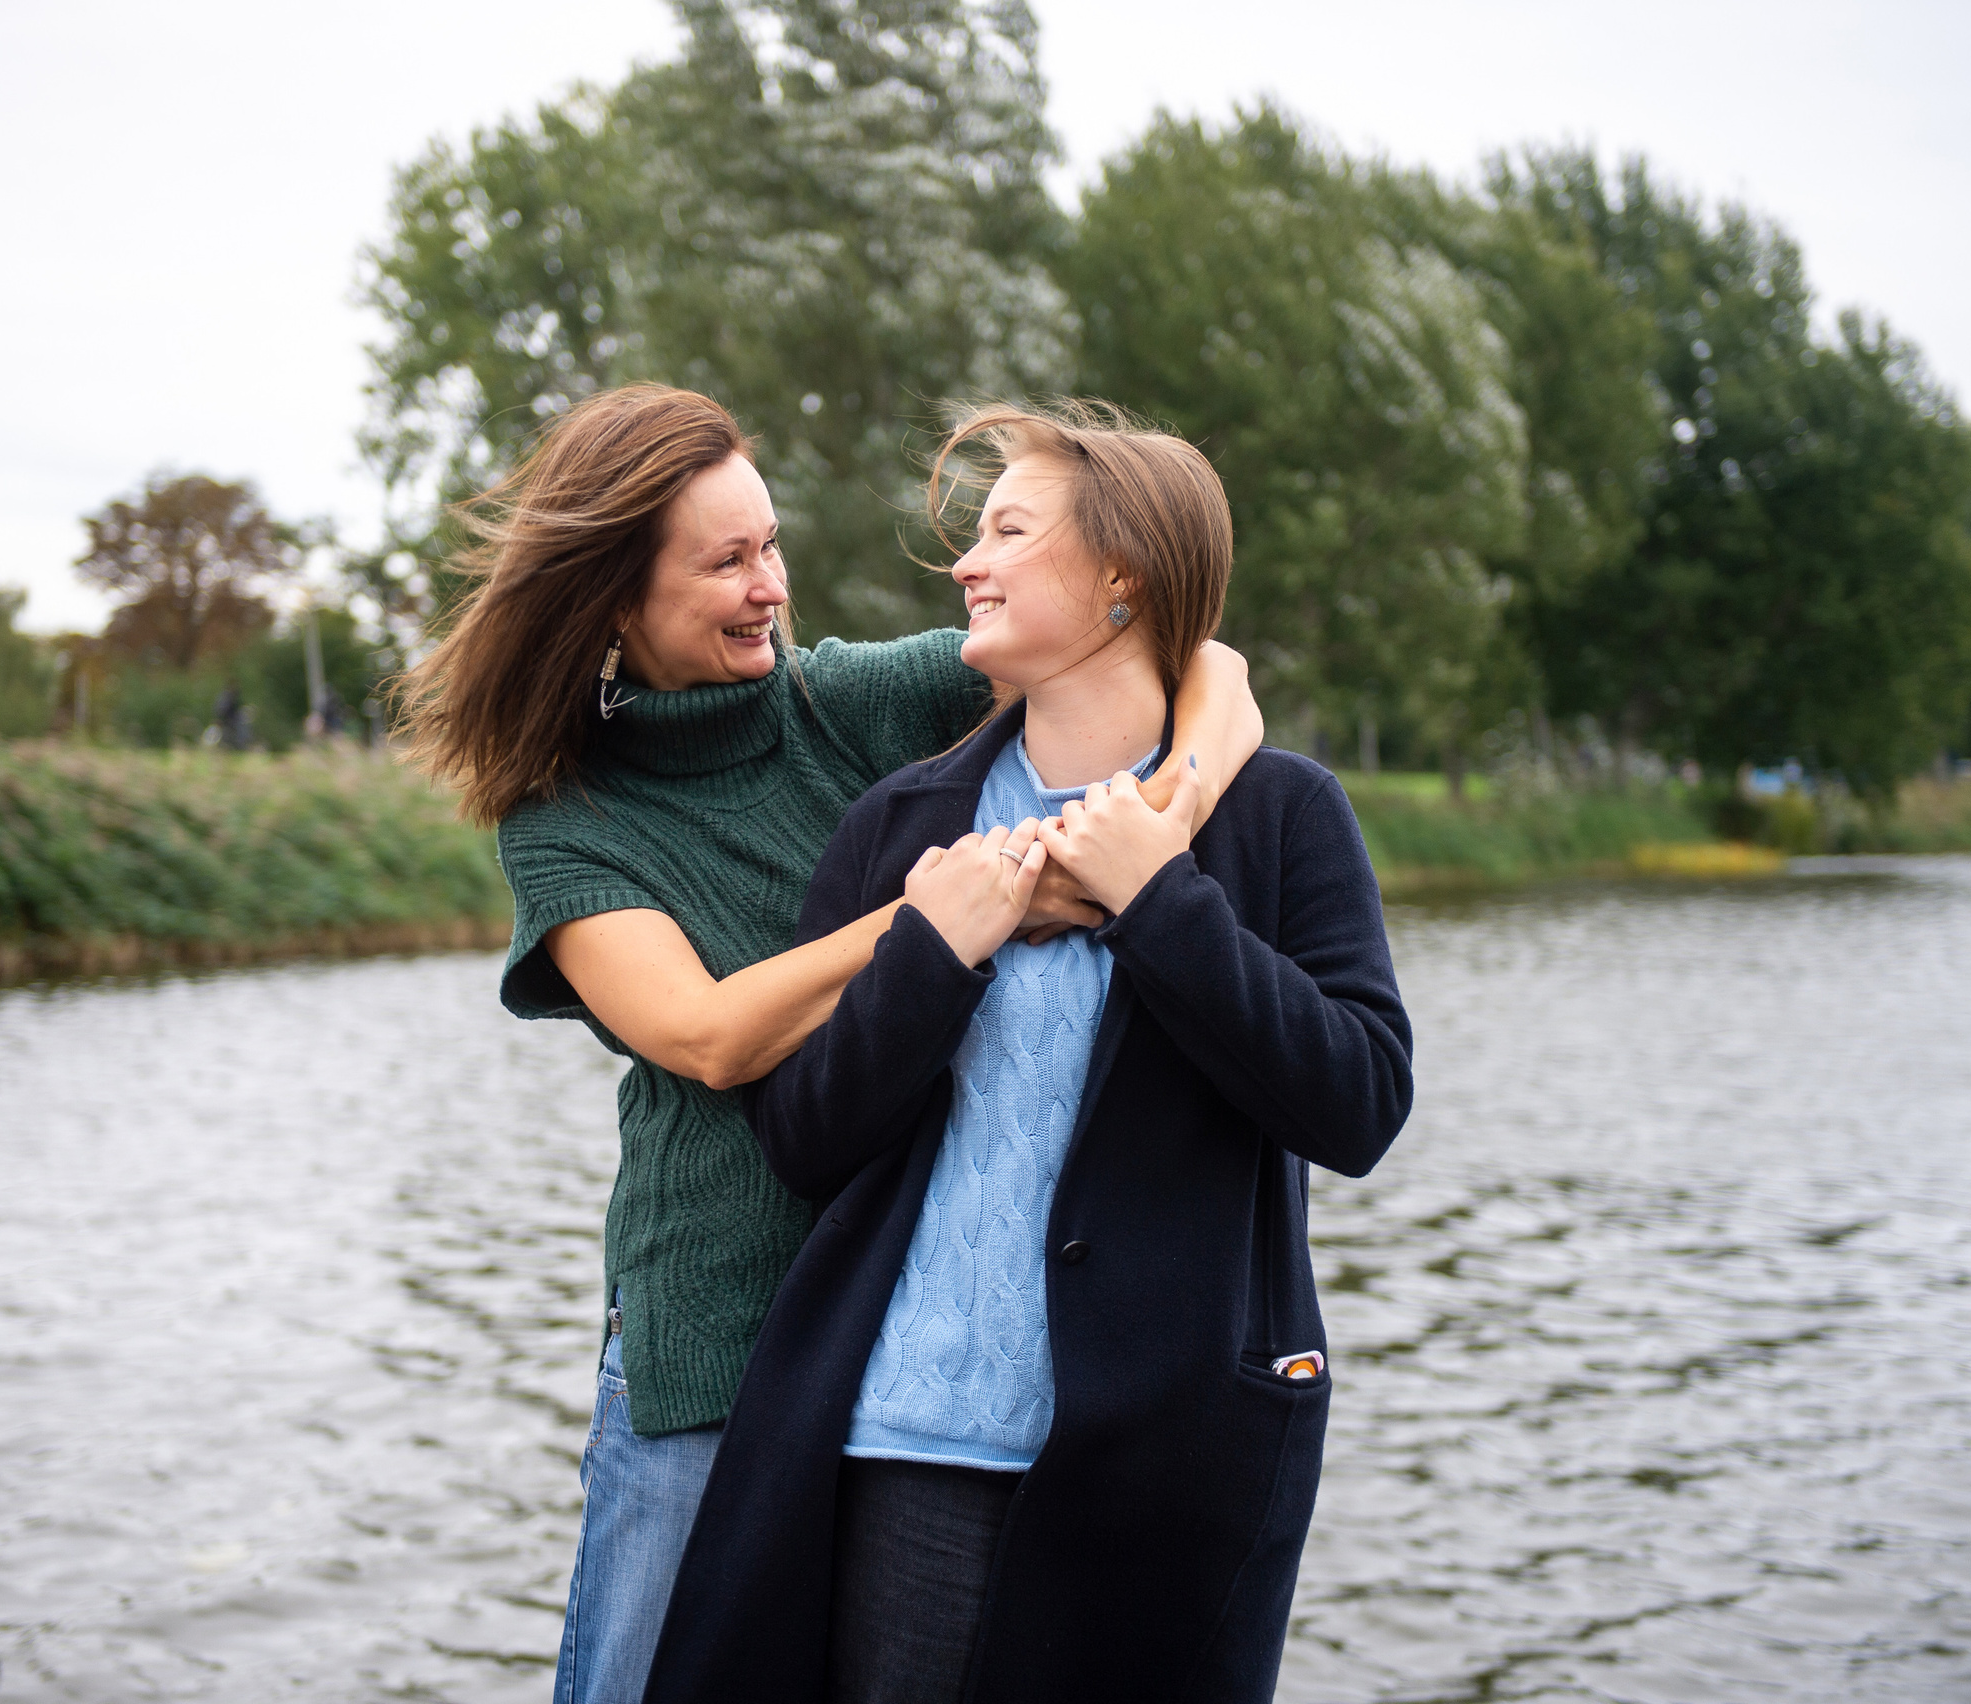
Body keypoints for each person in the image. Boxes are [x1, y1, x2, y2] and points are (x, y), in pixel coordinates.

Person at [389, 384, 1267, 1704]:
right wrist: (947, 914)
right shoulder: (563, 822)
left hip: (891, 1334)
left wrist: (1169, 811)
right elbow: (708, 1036)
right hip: (720, 1329)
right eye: (727, 563)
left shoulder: (847, 702)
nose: (769, 589)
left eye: (772, 547)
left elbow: (1205, 663)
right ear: (613, 599)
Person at [645, 402, 1414, 1704]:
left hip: (1169, 1464)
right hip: (906, 1452)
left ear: (1125, 573)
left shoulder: (1284, 813)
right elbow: (805, 1139)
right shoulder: (902, 823)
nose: (965, 563)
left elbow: (1360, 1105)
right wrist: (931, 957)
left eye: (1006, 528)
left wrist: (1165, 902)